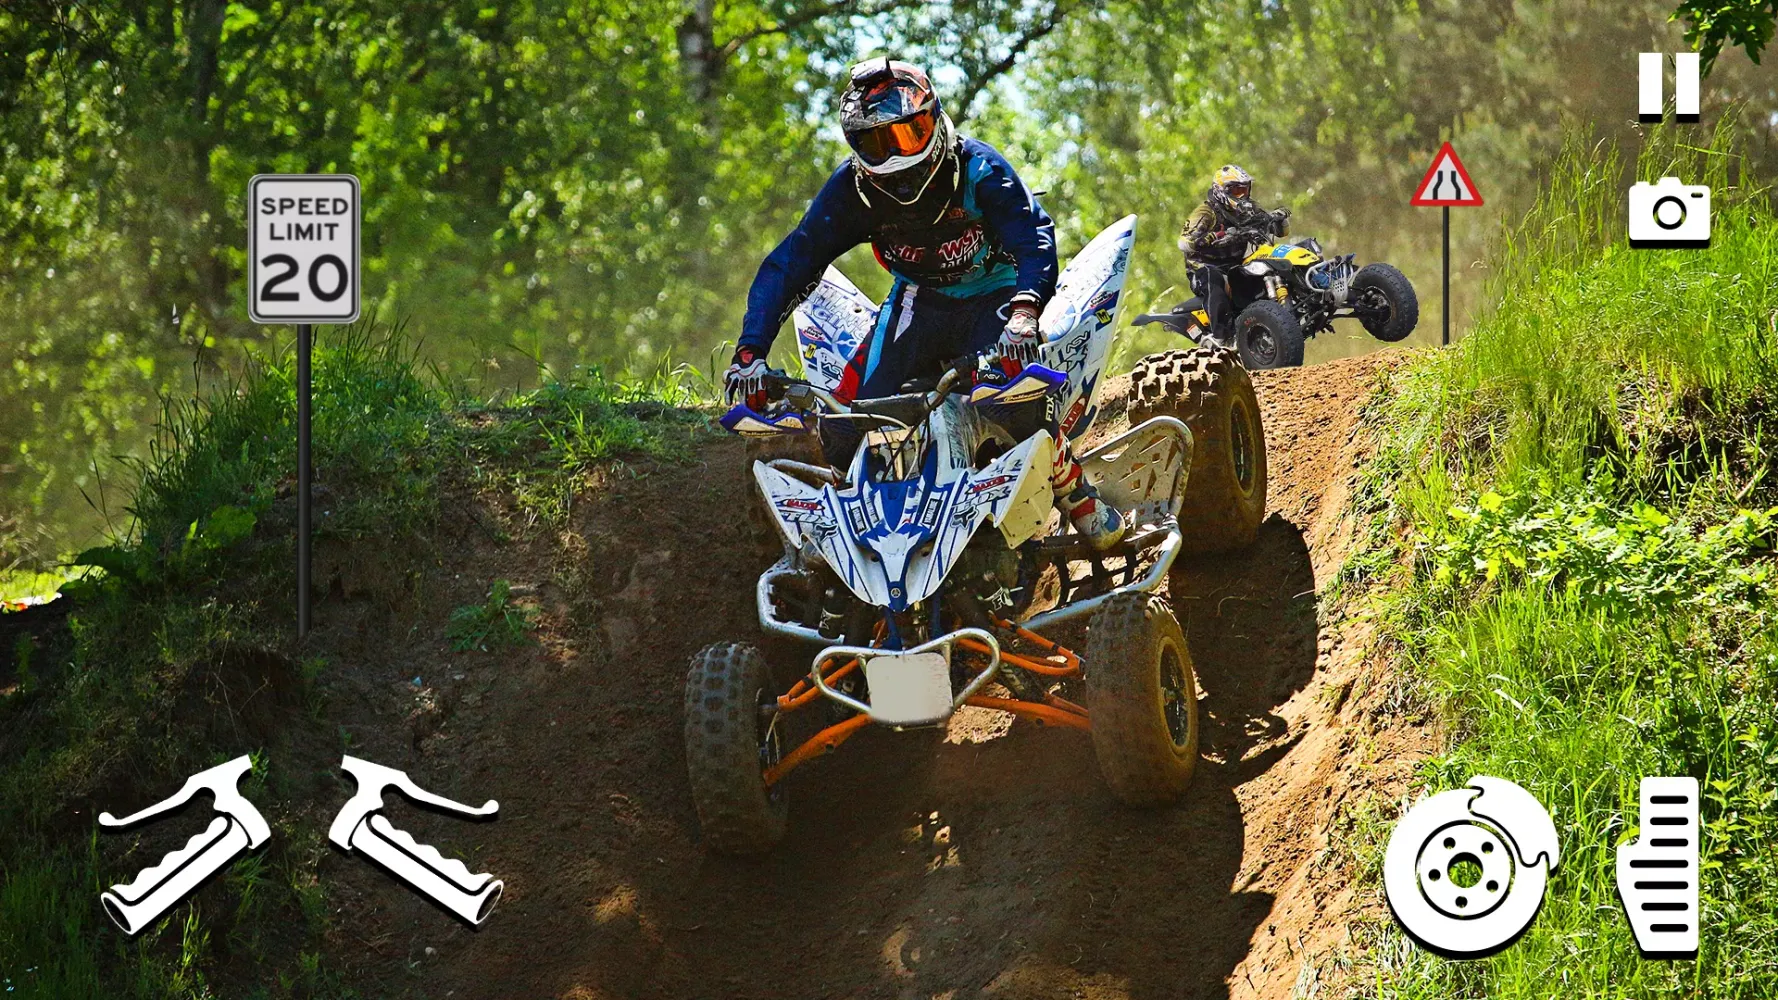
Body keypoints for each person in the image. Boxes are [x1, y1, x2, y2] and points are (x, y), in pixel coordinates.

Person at [724, 57, 1124, 549]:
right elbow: (790, 263)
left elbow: (1034, 236)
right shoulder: (852, 190)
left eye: (907, 134)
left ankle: (1076, 494)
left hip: (995, 292)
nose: (894, 156)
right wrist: (749, 352)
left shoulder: (978, 168)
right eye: (876, 143)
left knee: (1013, 402)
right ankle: (853, 530)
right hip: (918, 300)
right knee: (847, 427)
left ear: (933, 119)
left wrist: (1024, 313)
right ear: (855, 146)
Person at [1177, 165, 1292, 344]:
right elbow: (1184, 242)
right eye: (1237, 190)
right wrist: (1213, 237)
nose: (1242, 195)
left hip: (1236, 265)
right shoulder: (1206, 212)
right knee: (1213, 276)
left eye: (1244, 189)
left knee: (1266, 264)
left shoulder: (1249, 208)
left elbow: (1281, 232)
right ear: (1221, 191)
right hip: (1204, 268)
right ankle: (1222, 337)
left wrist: (1277, 219)